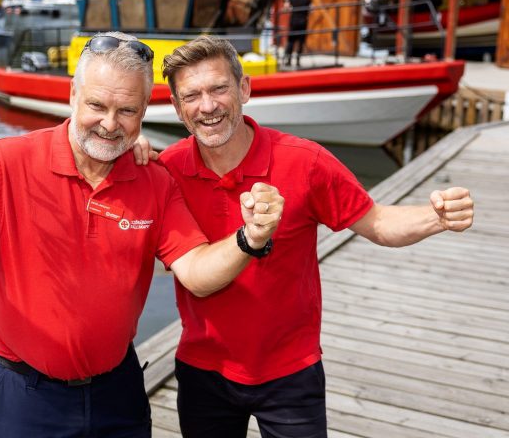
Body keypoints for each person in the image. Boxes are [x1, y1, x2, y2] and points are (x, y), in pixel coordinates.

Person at [0, 32, 284, 438]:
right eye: (97, 105)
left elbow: (197, 273)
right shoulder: (3, 163)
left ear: (145, 108)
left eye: (127, 110)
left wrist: (248, 238)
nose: (110, 125)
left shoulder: (156, 181)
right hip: (24, 396)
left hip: (118, 393)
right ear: (74, 94)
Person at [141, 35, 473, 438]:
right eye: (191, 95)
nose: (207, 106)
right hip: (203, 368)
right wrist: (132, 146)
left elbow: (378, 223)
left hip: (291, 372)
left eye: (219, 88)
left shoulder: (306, 161)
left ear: (244, 89)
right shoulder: (166, 170)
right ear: (176, 108)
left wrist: (435, 217)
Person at [283, 0, 312, 68]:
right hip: (303, 22)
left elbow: (286, 7)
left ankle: (288, 61)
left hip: (294, 22)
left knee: (291, 41)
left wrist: (288, 5)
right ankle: (298, 61)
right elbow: (311, 10)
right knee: (301, 42)